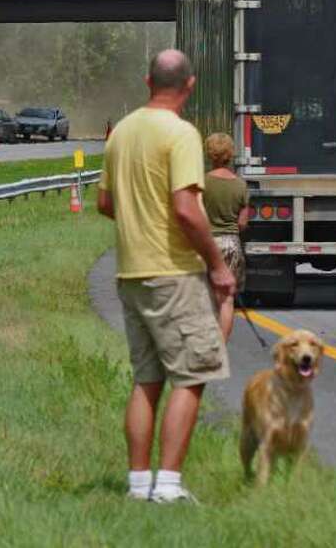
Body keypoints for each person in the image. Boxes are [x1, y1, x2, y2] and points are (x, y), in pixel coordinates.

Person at [97, 49, 237, 504]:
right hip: (174, 272)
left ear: (147, 81)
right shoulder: (180, 134)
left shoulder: (121, 132)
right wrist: (218, 266)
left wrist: (138, 220)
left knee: (147, 379)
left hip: (131, 272)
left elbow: (105, 203)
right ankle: (169, 486)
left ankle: (138, 485)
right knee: (192, 376)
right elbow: (186, 209)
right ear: (190, 85)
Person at [201, 132, 248, 341]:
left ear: (209, 153)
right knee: (226, 301)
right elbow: (242, 223)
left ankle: (205, 344)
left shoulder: (202, 183)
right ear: (230, 154)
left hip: (206, 244)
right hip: (231, 243)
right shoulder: (240, 185)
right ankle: (221, 348)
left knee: (205, 298)